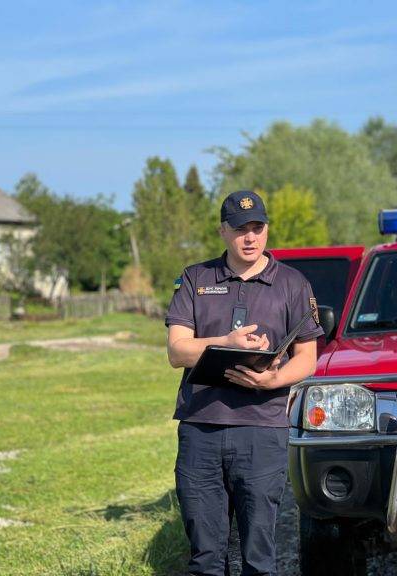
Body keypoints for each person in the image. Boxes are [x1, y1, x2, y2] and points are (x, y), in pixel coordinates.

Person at [165, 190, 323, 576]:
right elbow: (177, 352)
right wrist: (225, 343)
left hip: (261, 430)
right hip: (201, 427)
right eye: (240, 229)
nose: (250, 237)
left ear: (267, 229)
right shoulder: (196, 278)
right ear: (223, 231)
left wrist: (273, 380)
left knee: (259, 556)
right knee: (205, 557)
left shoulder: (292, 283)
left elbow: (307, 357)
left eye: (258, 228)